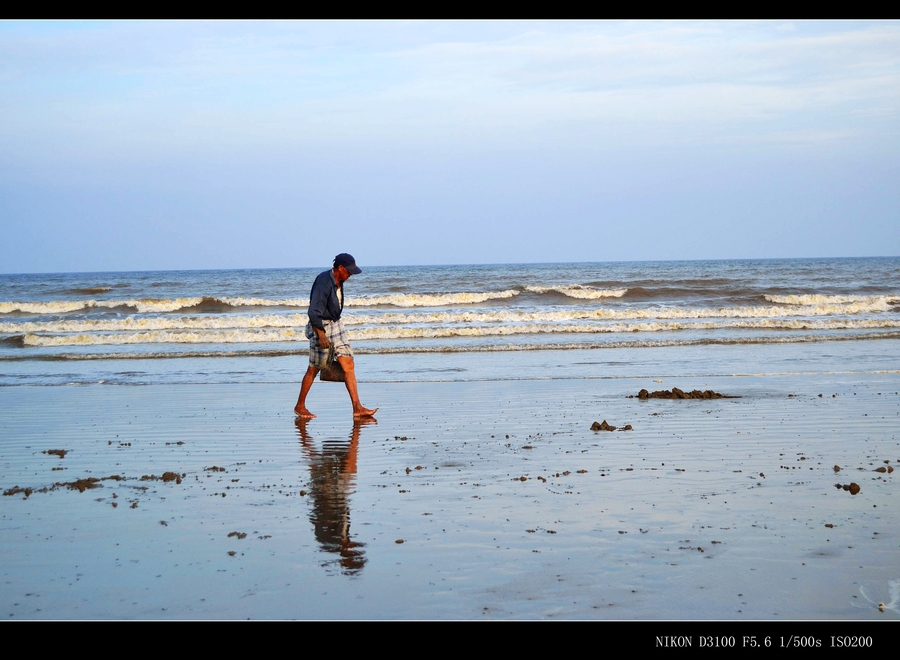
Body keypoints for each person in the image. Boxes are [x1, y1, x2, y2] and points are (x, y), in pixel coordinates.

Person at [294, 253, 377, 419]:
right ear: (340, 268)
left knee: (348, 363)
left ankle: (357, 407)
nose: (351, 275)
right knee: (314, 368)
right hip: (321, 326)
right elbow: (313, 312)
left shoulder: (340, 280)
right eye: (349, 271)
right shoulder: (323, 282)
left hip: (335, 323)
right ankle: (300, 406)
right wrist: (321, 336)